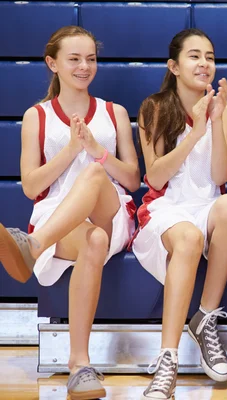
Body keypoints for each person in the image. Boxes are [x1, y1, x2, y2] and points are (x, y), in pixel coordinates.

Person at [0, 26, 140, 400]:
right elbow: (31, 186)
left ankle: (32, 245)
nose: (84, 66)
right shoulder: (37, 116)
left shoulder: (114, 112)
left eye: (91, 59)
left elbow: (132, 178)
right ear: (53, 63)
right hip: (61, 216)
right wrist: (69, 151)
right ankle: (80, 365)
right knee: (92, 241)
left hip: (112, 213)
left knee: (95, 175)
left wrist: (96, 150)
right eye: (74, 59)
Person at [131, 28, 227, 400]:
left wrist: (214, 121)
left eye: (210, 56)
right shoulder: (155, 107)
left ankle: (205, 318)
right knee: (191, 238)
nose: (204, 63)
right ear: (174, 66)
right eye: (194, 56)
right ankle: (168, 360)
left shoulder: (226, 109)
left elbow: (218, 177)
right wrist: (196, 130)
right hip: (166, 207)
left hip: (207, 205)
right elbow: (155, 176)